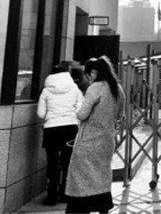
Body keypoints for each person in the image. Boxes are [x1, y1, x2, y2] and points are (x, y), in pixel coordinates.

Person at [65, 56, 124, 214]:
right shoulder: (117, 88)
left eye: (88, 75)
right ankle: (102, 208)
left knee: (82, 179)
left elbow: (82, 114)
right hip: (106, 142)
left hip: (89, 143)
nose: (88, 79)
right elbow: (120, 115)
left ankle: (81, 210)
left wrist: (77, 106)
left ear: (93, 72)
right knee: (101, 178)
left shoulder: (95, 88)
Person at [37, 64, 83, 206]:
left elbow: (40, 114)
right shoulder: (75, 89)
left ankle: (51, 196)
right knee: (67, 161)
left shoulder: (46, 91)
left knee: (52, 162)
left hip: (51, 130)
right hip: (70, 129)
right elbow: (80, 111)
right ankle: (65, 194)